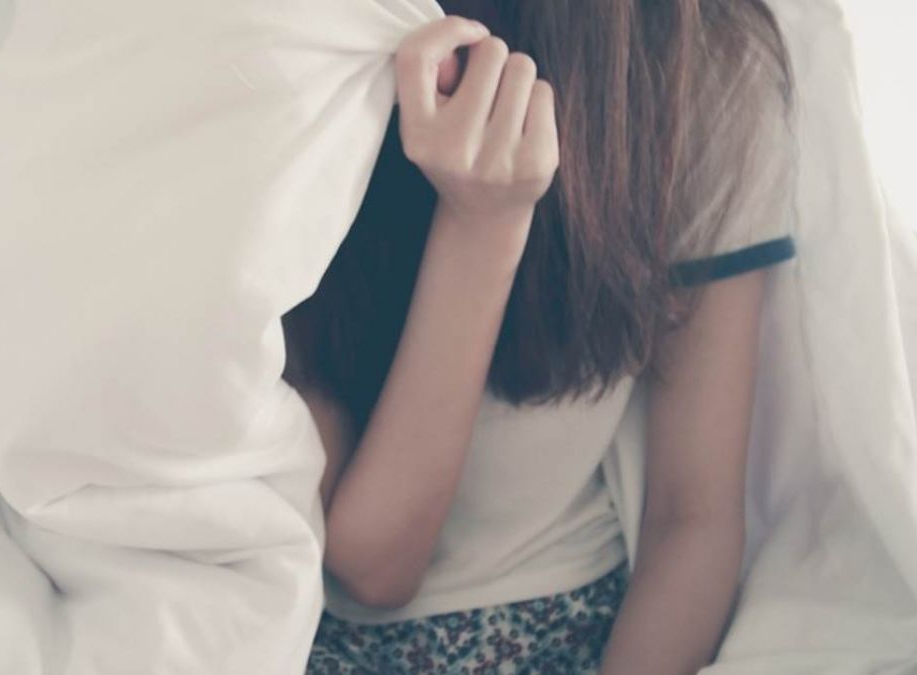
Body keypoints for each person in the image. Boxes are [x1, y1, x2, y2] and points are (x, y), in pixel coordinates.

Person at [283, 2, 799, 673]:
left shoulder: (696, 62)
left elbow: (693, 515)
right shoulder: (297, 42)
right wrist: (483, 225)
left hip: (554, 623)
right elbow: (372, 566)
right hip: (291, 627)